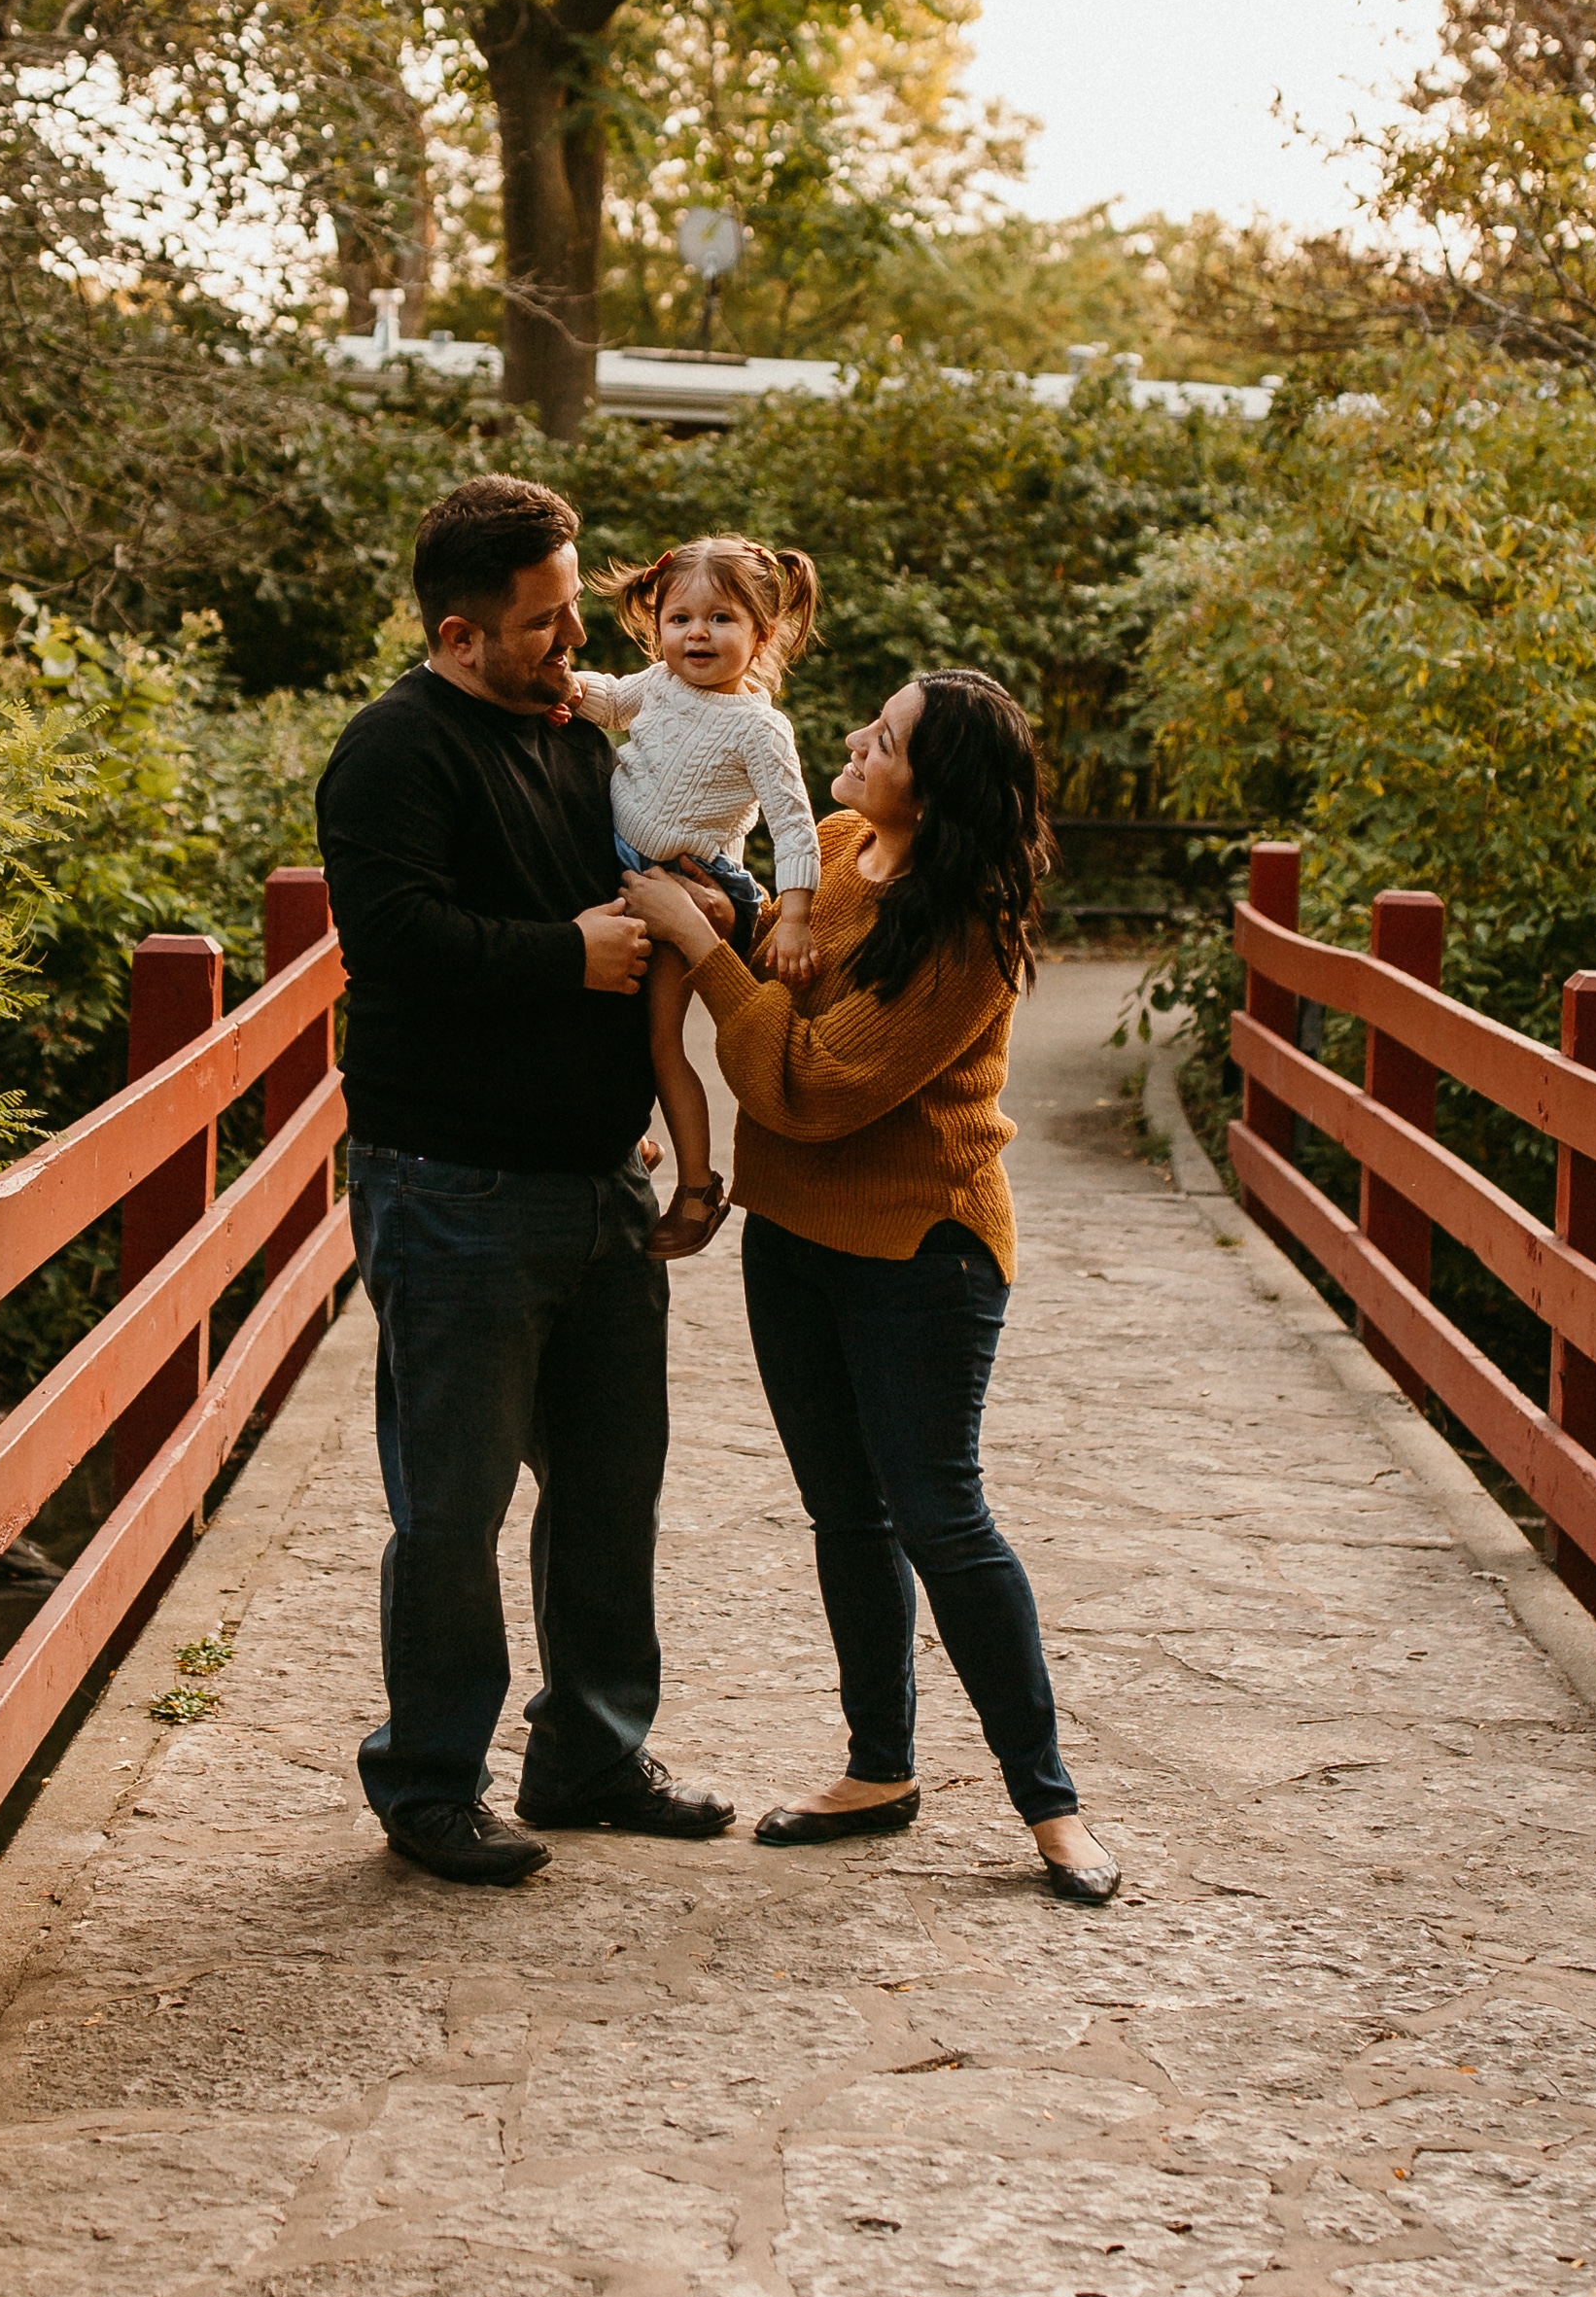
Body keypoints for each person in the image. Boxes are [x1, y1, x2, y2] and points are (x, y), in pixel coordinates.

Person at [618, 669, 1120, 1907]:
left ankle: (1049, 1805)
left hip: (921, 1252)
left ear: (934, 787)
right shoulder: (836, 845)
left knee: (941, 1519)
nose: (853, 739)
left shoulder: (966, 937)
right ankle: (877, 1770)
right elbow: (749, 920)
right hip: (791, 1233)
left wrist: (697, 942)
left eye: (884, 738)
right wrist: (708, 905)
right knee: (846, 1514)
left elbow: (815, 1085)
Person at [313, 472, 737, 1886]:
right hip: (451, 1189)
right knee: (453, 1505)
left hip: (600, 1179)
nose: (576, 645)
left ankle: (592, 1752)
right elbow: (397, 940)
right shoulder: (392, 753)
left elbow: (660, 858)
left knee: (613, 1486)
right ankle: (431, 1781)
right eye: (548, 624)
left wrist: (715, 900)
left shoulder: (571, 735)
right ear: (457, 632)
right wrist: (567, 953)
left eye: (572, 614)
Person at [571, 534, 825, 1263]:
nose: (696, 634)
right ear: (658, 627)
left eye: (720, 618)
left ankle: (695, 1186)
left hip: (691, 886)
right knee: (585, 1005)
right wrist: (563, 685)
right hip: (622, 872)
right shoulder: (656, 683)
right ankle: (631, 1140)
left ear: (760, 633)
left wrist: (797, 915)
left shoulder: (757, 726)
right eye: (679, 618)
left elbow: (793, 823)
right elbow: (610, 699)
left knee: (659, 1040)